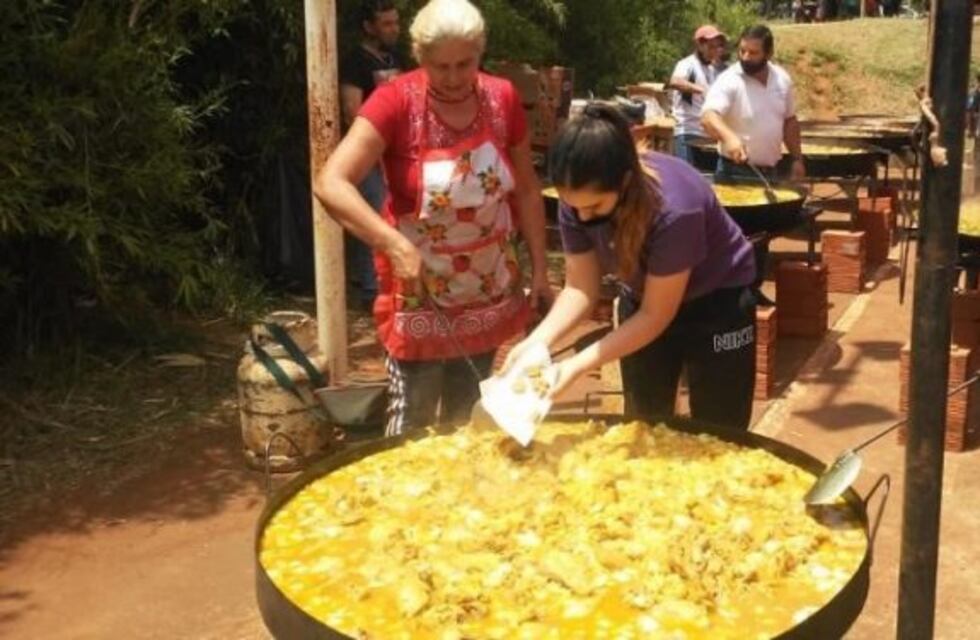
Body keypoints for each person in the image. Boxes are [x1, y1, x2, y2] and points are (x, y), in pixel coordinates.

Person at [315, 0, 551, 436]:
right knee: (412, 427)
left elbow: (530, 190)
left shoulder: (502, 97)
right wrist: (394, 244)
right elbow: (331, 183)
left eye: (466, 63)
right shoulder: (395, 101)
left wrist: (539, 271)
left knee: (469, 419)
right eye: (441, 67)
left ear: (480, 53)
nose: (456, 78)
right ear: (420, 58)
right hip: (419, 294)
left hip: (487, 289)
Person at [505, 104, 758, 431]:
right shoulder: (579, 199)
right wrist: (537, 342)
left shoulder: (675, 208)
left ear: (624, 181)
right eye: (574, 207)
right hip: (643, 302)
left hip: (718, 302)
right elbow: (580, 288)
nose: (583, 217)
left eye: (595, 206)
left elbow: (657, 314)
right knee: (644, 421)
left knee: (721, 428)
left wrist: (575, 366)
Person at [339, 0, 404, 310]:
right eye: (387, 23)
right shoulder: (356, 61)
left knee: (390, 214)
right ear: (369, 27)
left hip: (394, 152)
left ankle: (379, 285)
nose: (394, 29)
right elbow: (352, 110)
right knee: (373, 216)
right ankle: (370, 291)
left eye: (396, 22)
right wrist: (372, 151)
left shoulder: (395, 57)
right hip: (366, 154)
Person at [702, 24, 806, 182]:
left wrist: (797, 159)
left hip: (772, 172)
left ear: (769, 53)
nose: (745, 57)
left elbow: (789, 121)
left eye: (753, 52)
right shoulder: (729, 79)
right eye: (742, 51)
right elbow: (708, 117)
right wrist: (729, 138)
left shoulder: (782, 79)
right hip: (734, 172)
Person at [667, 25, 727, 165]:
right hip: (687, 132)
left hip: (707, 135)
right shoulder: (687, 64)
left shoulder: (713, 70)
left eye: (716, 47)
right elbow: (675, 81)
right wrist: (699, 89)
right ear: (700, 44)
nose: (714, 51)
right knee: (688, 177)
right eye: (710, 46)